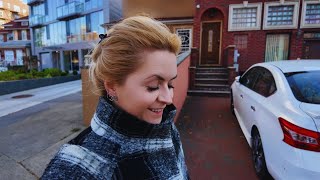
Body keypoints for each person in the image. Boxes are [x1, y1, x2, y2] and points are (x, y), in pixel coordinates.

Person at [41, 15, 190, 180]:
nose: (168, 99)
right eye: (153, 86)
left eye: (170, 85)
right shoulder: (77, 170)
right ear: (112, 86)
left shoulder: (165, 127)